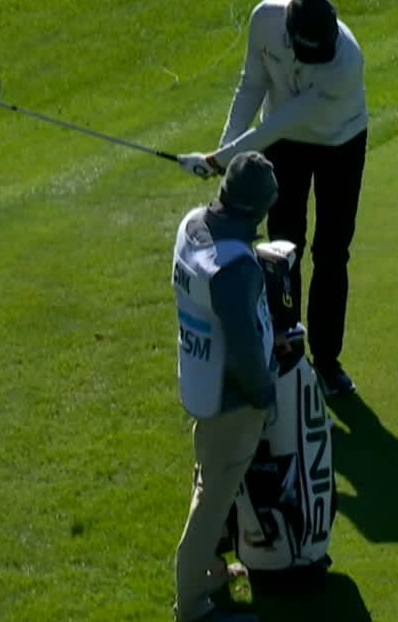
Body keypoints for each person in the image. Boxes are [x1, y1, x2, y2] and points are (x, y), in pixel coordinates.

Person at [177, 0, 368, 398]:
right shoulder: (265, 19)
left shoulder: (346, 62)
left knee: (332, 250)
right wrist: (222, 152)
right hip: (286, 145)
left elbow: (279, 123)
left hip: (341, 140)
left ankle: (327, 362)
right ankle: (285, 352)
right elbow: (252, 84)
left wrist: (219, 160)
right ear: (290, 36)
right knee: (283, 247)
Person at [171, 152, 281, 622]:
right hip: (232, 398)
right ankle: (193, 606)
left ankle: (211, 573)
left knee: (209, 482)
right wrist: (264, 395)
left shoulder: (192, 225)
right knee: (211, 503)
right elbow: (244, 348)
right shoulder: (236, 269)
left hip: (200, 379)